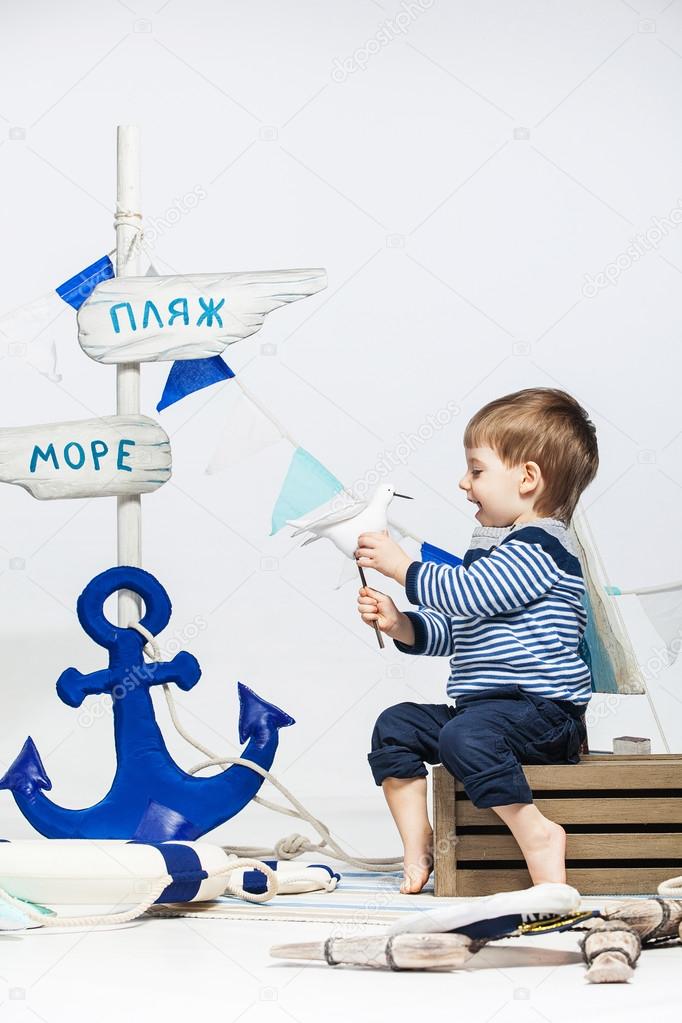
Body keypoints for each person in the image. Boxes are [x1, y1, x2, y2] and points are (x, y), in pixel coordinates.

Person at [356, 387, 598, 894]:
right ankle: (418, 840)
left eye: (477, 470)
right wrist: (401, 623)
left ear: (528, 478)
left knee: (463, 737)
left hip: (543, 715)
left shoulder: (541, 548)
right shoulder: (497, 553)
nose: (464, 483)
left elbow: (467, 595)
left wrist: (402, 566)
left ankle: (537, 835)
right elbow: (463, 625)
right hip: (487, 713)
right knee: (395, 725)